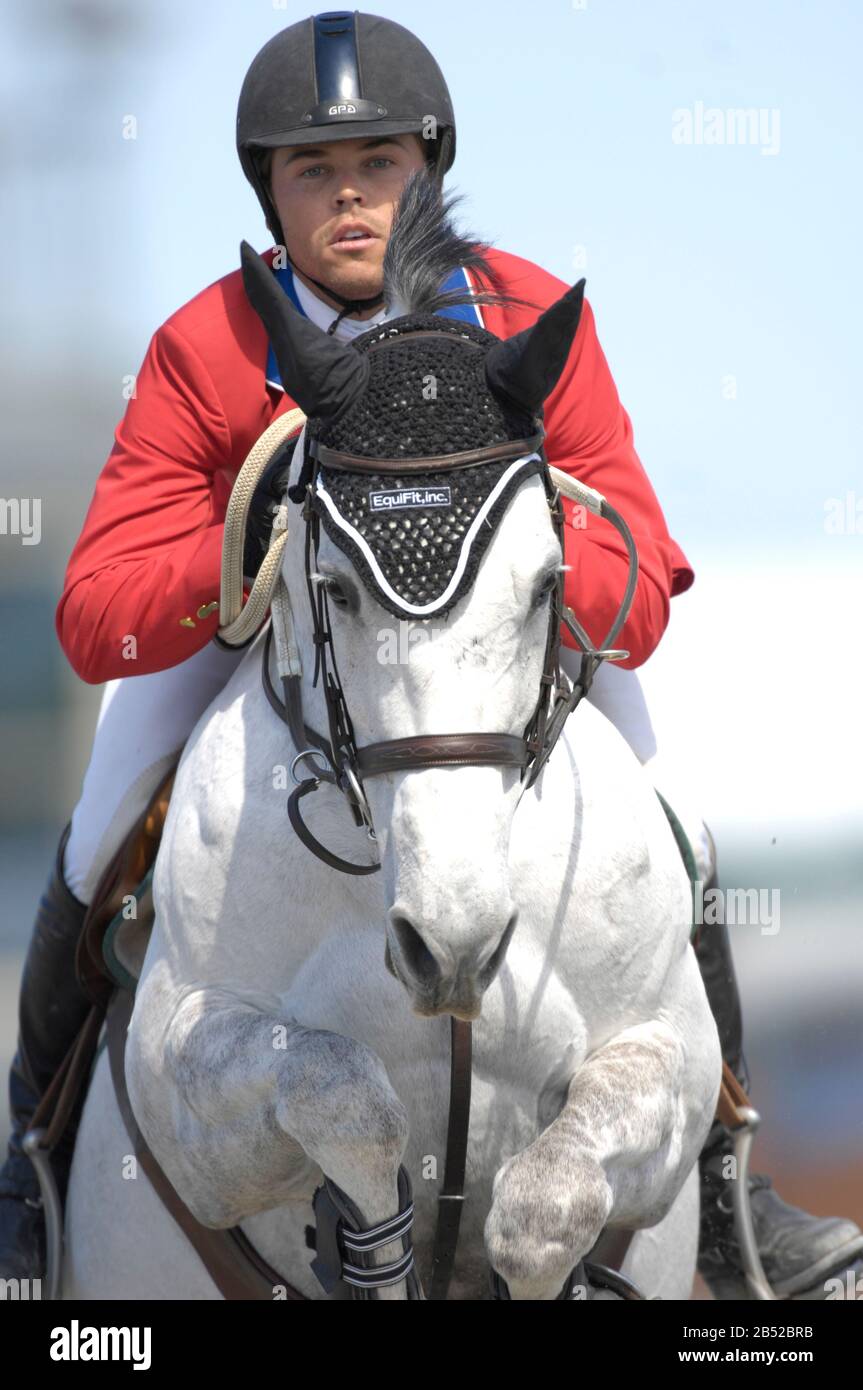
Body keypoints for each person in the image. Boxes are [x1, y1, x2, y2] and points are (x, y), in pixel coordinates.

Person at [1, 12, 860, 1301]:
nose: (350, 196)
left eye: (381, 165)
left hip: (492, 647)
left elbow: (647, 574)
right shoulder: (205, 346)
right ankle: (31, 1167)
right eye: (312, 171)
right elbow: (93, 613)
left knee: (677, 821)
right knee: (96, 819)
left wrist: (535, 547)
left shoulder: (526, 317)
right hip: (271, 634)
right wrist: (250, 554)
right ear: (269, 192)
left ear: (430, 170)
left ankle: (736, 1184)